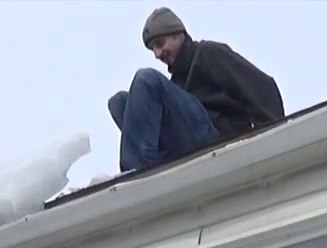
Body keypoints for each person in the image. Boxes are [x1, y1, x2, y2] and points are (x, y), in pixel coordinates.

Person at [108, 7, 285, 172]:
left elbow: (261, 86)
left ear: (179, 35)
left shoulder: (207, 53)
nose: (157, 54)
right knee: (119, 102)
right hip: (185, 146)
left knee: (146, 79)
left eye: (160, 44)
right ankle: (152, 167)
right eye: (153, 49)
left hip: (219, 138)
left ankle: (137, 171)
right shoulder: (176, 84)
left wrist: (267, 140)